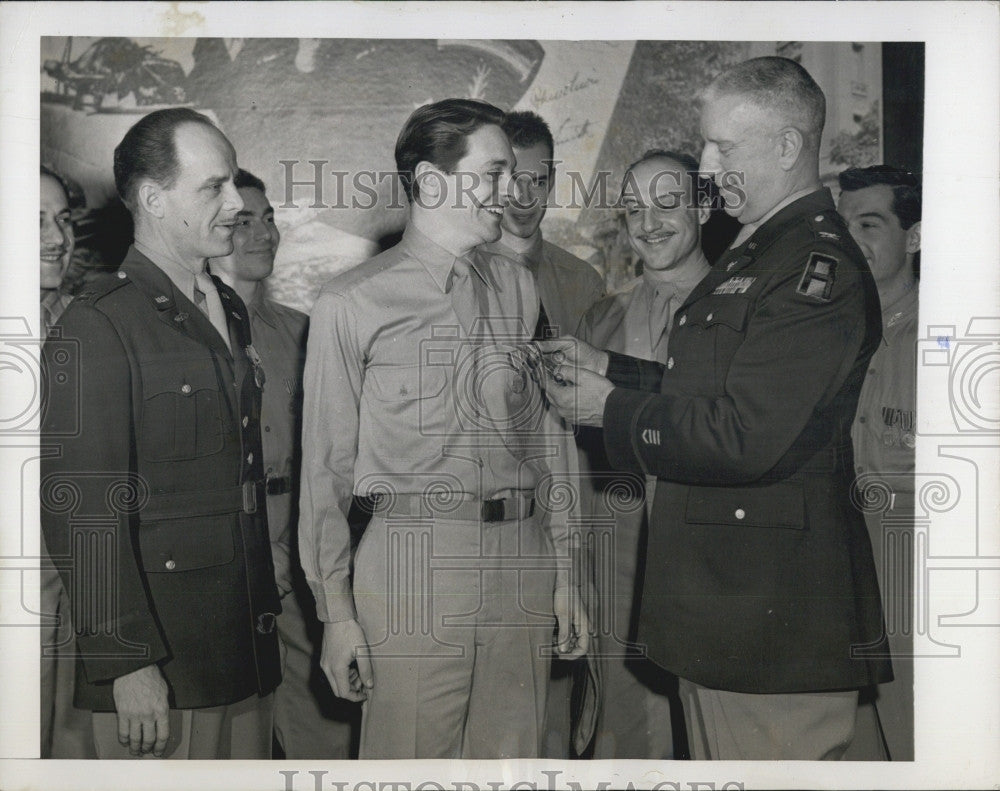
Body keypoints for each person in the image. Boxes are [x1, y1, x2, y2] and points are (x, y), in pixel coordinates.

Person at [539, 56, 891, 760]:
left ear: (788, 147)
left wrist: (611, 407)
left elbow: (746, 434)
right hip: (728, 611)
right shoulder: (760, 254)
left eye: (723, 147)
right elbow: (716, 393)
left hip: (767, 625)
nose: (707, 162)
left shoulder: (809, 267)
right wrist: (615, 370)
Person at [299, 98, 589, 759]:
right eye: (492, 173)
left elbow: (546, 438)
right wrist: (336, 613)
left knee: (514, 762)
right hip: (412, 564)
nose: (509, 191)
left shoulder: (518, 286)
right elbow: (324, 471)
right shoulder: (352, 301)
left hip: (522, 558)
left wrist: (567, 571)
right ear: (432, 182)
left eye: (515, 173)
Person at [40, 108, 281, 759]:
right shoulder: (97, 325)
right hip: (161, 668)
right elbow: (82, 509)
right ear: (152, 198)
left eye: (234, 183)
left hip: (237, 649)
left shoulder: (225, 306)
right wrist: (124, 659)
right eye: (213, 187)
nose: (236, 202)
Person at [207, 168, 359, 758]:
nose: (263, 234)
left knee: (321, 716)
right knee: (232, 724)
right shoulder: (183, 336)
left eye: (269, 219)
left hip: (301, 534)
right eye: (243, 222)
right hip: (227, 541)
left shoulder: (304, 332)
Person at [577, 150, 712, 759]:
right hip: (618, 558)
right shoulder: (602, 319)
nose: (648, 222)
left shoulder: (745, 311)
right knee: (625, 735)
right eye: (634, 208)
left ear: (704, 206)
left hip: (714, 558)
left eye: (667, 204)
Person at [837, 165, 920, 761]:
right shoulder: (826, 341)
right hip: (837, 594)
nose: (851, 239)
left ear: (913, 237)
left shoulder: (951, 340)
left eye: (870, 223)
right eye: (843, 225)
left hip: (918, 605)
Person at [39, 164, 96, 759]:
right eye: (32, 220)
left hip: (81, 582)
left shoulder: (86, 324)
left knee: (74, 750)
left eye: (60, 219)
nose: (56, 237)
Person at [479, 110, 604, 339]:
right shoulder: (462, 273)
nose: (524, 200)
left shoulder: (585, 282)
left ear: (552, 182)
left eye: (537, 182)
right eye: (513, 181)